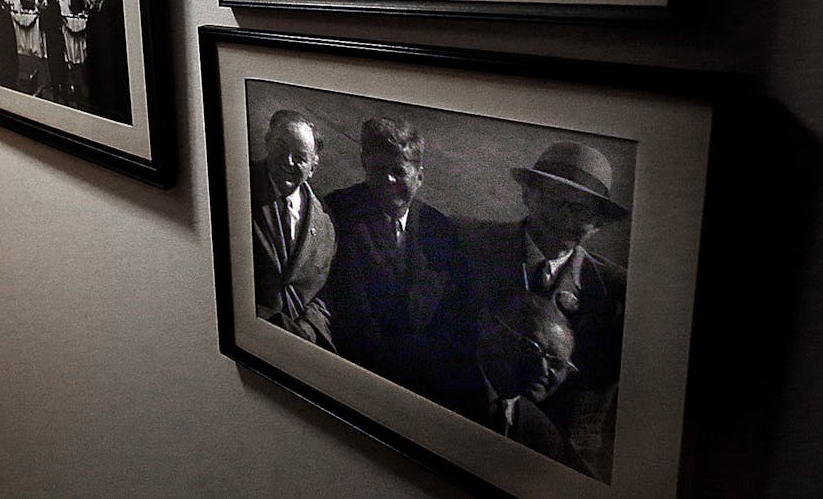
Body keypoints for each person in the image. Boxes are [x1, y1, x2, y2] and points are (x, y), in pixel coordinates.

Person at [449, 140, 628, 478]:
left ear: (599, 224)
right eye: (556, 200)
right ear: (527, 195)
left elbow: (592, 416)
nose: (567, 218)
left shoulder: (614, 293)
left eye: (583, 211)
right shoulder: (467, 244)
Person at [323, 117, 459, 391]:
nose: (388, 180)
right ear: (364, 165)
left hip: (428, 378)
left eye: (398, 171)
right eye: (378, 170)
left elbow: (451, 314)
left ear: (419, 176)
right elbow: (350, 311)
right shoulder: (339, 213)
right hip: (358, 372)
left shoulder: (440, 229)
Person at [437, 293, 594, 476]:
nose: (543, 370)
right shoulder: (438, 377)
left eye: (557, 364)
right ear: (491, 328)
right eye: (531, 348)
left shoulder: (543, 431)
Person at [251, 110, 337, 348]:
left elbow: (324, 293)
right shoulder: (239, 186)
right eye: (281, 147)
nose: (287, 161)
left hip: (302, 345)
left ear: (312, 167)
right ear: (268, 142)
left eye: (300, 157)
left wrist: (308, 329)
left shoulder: (326, 225)